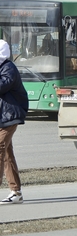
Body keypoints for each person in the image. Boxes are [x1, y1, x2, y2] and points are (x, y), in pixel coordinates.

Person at [0, 39, 28, 204]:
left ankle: (15, 191)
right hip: (3, 116)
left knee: (0, 147)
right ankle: (16, 192)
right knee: (7, 153)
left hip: (11, 115)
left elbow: (3, 86)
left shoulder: (9, 68)